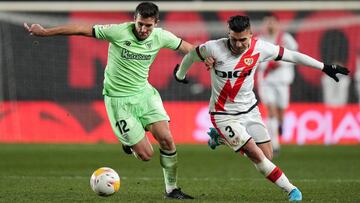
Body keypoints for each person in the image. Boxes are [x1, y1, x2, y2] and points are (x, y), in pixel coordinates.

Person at [24, 2, 199, 200]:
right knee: (146, 155)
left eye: (148, 26)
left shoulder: (162, 36)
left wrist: (209, 57)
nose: (143, 29)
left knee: (167, 140)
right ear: (134, 19)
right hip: (118, 100)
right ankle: (130, 142)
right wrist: (46, 32)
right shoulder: (118, 32)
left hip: (145, 95)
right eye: (140, 24)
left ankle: (172, 189)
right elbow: (82, 29)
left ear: (156, 24)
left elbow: (189, 49)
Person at [173, 15, 349, 202]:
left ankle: (221, 138)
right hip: (222, 113)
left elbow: (292, 56)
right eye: (234, 39)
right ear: (228, 34)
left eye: (243, 40)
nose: (239, 44)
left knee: (267, 155)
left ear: (250, 35)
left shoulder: (261, 48)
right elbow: (191, 54)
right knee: (254, 153)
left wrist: (324, 67)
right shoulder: (213, 48)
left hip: (250, 110)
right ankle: (292, 190)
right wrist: (180, 74)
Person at [256, 14, 298, 156]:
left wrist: (281, 63)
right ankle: (275, 144)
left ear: (277, 24)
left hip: (283, 82)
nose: (270, 25)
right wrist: (268, 64)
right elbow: (253, 60)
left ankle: (279, 127)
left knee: (281, 114)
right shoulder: (259, 41)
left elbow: (295, 56)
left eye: (272, 23)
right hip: (267, 82)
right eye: (267, 23)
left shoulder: (286, 39)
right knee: (271, 112)